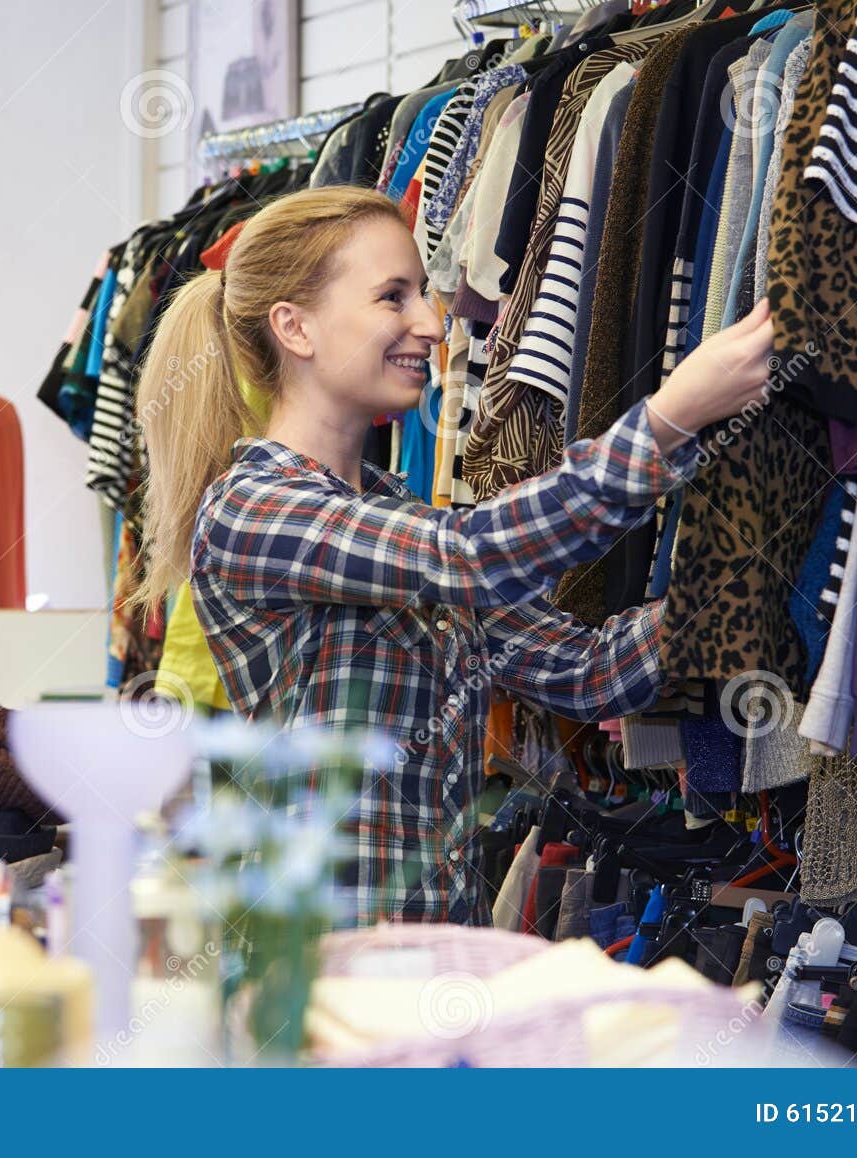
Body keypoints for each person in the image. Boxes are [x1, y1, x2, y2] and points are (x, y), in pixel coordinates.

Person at [133, 186, 775, 926]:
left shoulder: (394, 518)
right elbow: (472, 555)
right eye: (392, 297)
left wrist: (754, 568)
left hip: (431, 963)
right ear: (295, 327)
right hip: (315, 975)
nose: (433, 325)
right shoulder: (253, 510)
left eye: (424, 296)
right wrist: (668, 418)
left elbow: (588, 673)